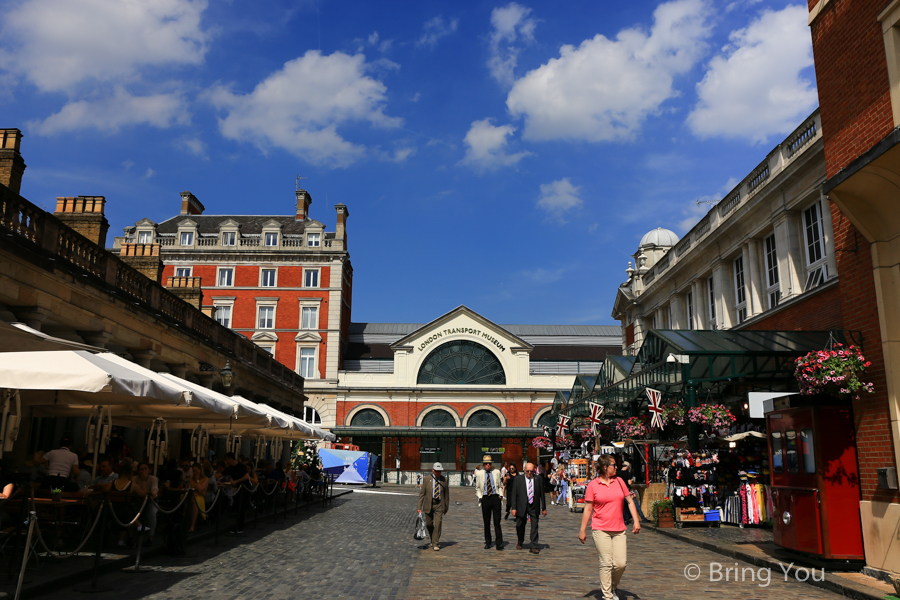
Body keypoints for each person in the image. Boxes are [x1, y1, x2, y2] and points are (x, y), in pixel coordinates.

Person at [579, 455, 641, 600]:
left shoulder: (619, 481)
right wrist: (582, 530)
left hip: (619, 528)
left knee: (620, 564)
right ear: (606, 467)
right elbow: (588, 509)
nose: (617, 467)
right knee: (606, 562)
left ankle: (613, 586)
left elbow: (630, 502)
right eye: (614, 464)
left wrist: (637, 521)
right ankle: (607, 595)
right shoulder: (593, 485)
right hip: (600, 528)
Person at [509, 462, 547, 553]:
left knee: (534, 525)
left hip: (534, 505)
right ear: (524, 471)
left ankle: (533, 545)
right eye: (527, 471)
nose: (529, 473)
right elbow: (513, 494)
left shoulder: (538, 479)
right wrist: (513, 508)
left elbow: (542, 494)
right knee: (520, 525)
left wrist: (544, 508)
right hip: (521, 505)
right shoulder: (518, 479)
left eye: (531, 471)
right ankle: (520, 541)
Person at [474, 455, 504, 551]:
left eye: (489, 463)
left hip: (495, 498)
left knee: (497, 522)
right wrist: (480, 497)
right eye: (486, 463)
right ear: (483, 464)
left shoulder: (496, 472)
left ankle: (499, 543)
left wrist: (500, 495)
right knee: (486, 522)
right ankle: (488, 542)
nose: (488, 465)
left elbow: (500, 485)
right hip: (485, 498)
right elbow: (477, 487)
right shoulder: (480, 474)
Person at [416, 462, 449, 551]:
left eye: (440, 471)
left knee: (438, 524)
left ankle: (435, 543)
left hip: (439, 504)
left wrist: (446, 507)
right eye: (437, 471)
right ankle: (432, 538)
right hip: (429, 503)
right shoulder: (427, 479)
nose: (438, 472)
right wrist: (419, 507)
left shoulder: (444, 479)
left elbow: (446, 495)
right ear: (433, 470)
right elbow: (422, 494)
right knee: (429, 524)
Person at [222, 452, 250, 534]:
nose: (226, 461)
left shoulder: (241, 466)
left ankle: (240, 527)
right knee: (237, 506)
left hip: (244, 489)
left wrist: (236, 481)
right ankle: (237, 526)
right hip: (237, 489)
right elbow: (221, 474)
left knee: (241, 507)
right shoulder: (230, 468)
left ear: (231, 458)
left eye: (226, 459)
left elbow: (246, 477)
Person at [132, 462, 160, 543]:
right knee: (131, 510)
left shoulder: (153, 479)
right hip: (138, 502)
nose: (143, 471)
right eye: (141, 469)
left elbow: (154, 489)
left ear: (149, 470)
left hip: (151, 502)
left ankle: (150, 536)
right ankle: (132, 536)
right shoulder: (135, 479)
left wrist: (154, 492)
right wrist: (144, 483)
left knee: (151, 513)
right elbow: (138, 492)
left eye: (145, 469)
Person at [188, 463, 208, 532]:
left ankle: (192, 525)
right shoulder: (191, 478)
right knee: (185, 500)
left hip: (199, 496)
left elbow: (200, 490)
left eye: (196, 470)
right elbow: (188, 487)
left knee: (195, 502)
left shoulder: (205, 479)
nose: (194, 472)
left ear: (200, 470)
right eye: (193, 471)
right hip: (190, 494)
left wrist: (197, 480)